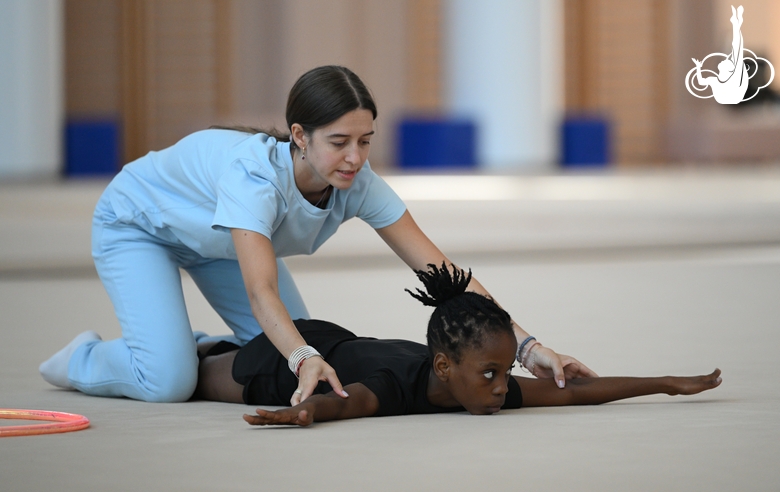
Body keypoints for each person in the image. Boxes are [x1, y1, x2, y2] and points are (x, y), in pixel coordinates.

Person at [39, 65, 594, 404]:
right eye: (339, 142)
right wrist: (303, 358)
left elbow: (443, 274)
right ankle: (84, 358)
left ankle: (190, 342)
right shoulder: (255, 177)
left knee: (293, 341)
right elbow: (262, 293)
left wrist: (528, 346)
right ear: (300, 136)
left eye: (366, 140)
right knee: (168, 383)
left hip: (220, 246)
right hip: (140, 226)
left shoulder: (359, 182)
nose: (355, 158)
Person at [194, 263, 722, 426]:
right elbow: (349, 400)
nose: (501, 387)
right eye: (490, 375)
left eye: (501, 372)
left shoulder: (478, 383)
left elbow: (574, 393)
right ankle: (197, 347)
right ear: (444, 366)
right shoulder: (395, 386)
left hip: (337, 342)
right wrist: (307, 412)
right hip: (282, 364)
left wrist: (665, 384)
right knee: (187, 377)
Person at [692, 5, 748, 104]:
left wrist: (736, 26)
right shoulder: (716, 80)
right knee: (737, 52)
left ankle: (736, 24)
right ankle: (736, 24)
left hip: (733, 98)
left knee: (737, 52)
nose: (724, 60)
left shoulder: (732, 80)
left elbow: (737, 50)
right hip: (729, 99)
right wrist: (698, 67)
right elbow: (701, 82)